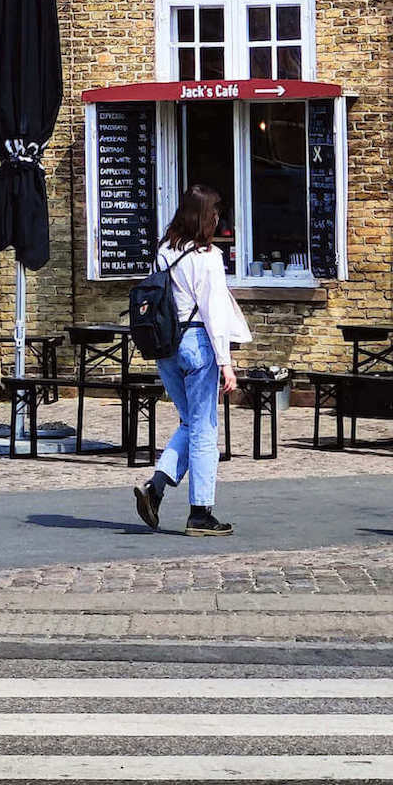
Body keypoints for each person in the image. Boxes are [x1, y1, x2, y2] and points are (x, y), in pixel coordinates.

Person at [134, 183, 251, 538]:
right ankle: (200, 512)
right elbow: (214, 312)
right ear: (205, 217)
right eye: (215, 214)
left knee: (189, 422)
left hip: (166, 345)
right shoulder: (208, 258)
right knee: (204, 428)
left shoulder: (164, 250)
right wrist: (225, 360)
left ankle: (155, 488)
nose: (218, 220)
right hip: (198, 343)